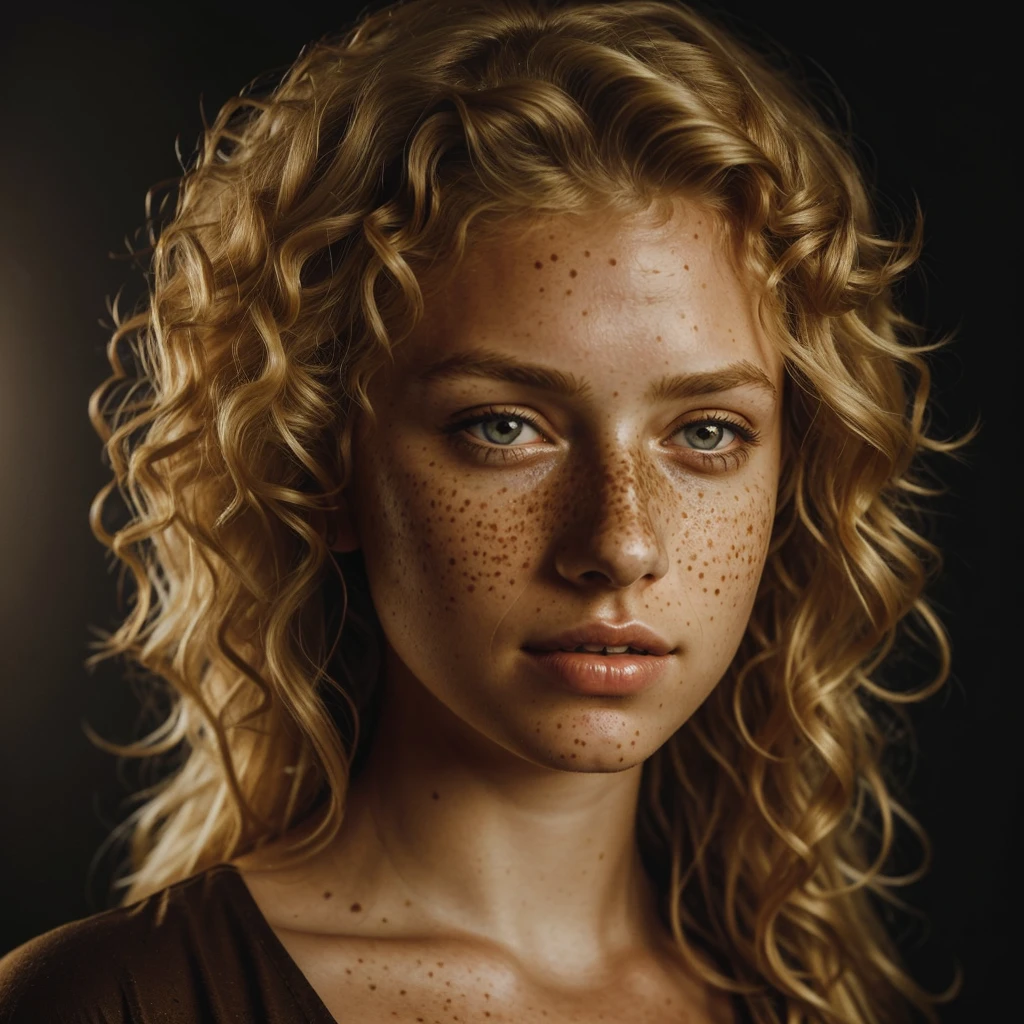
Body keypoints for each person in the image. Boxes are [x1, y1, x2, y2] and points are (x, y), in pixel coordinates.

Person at [0, 1, 966, 1021]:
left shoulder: (820, 1008)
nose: (621, 542)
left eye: (707, 433)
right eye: (504, 427)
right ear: (324, 463)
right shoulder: (113, 1001)